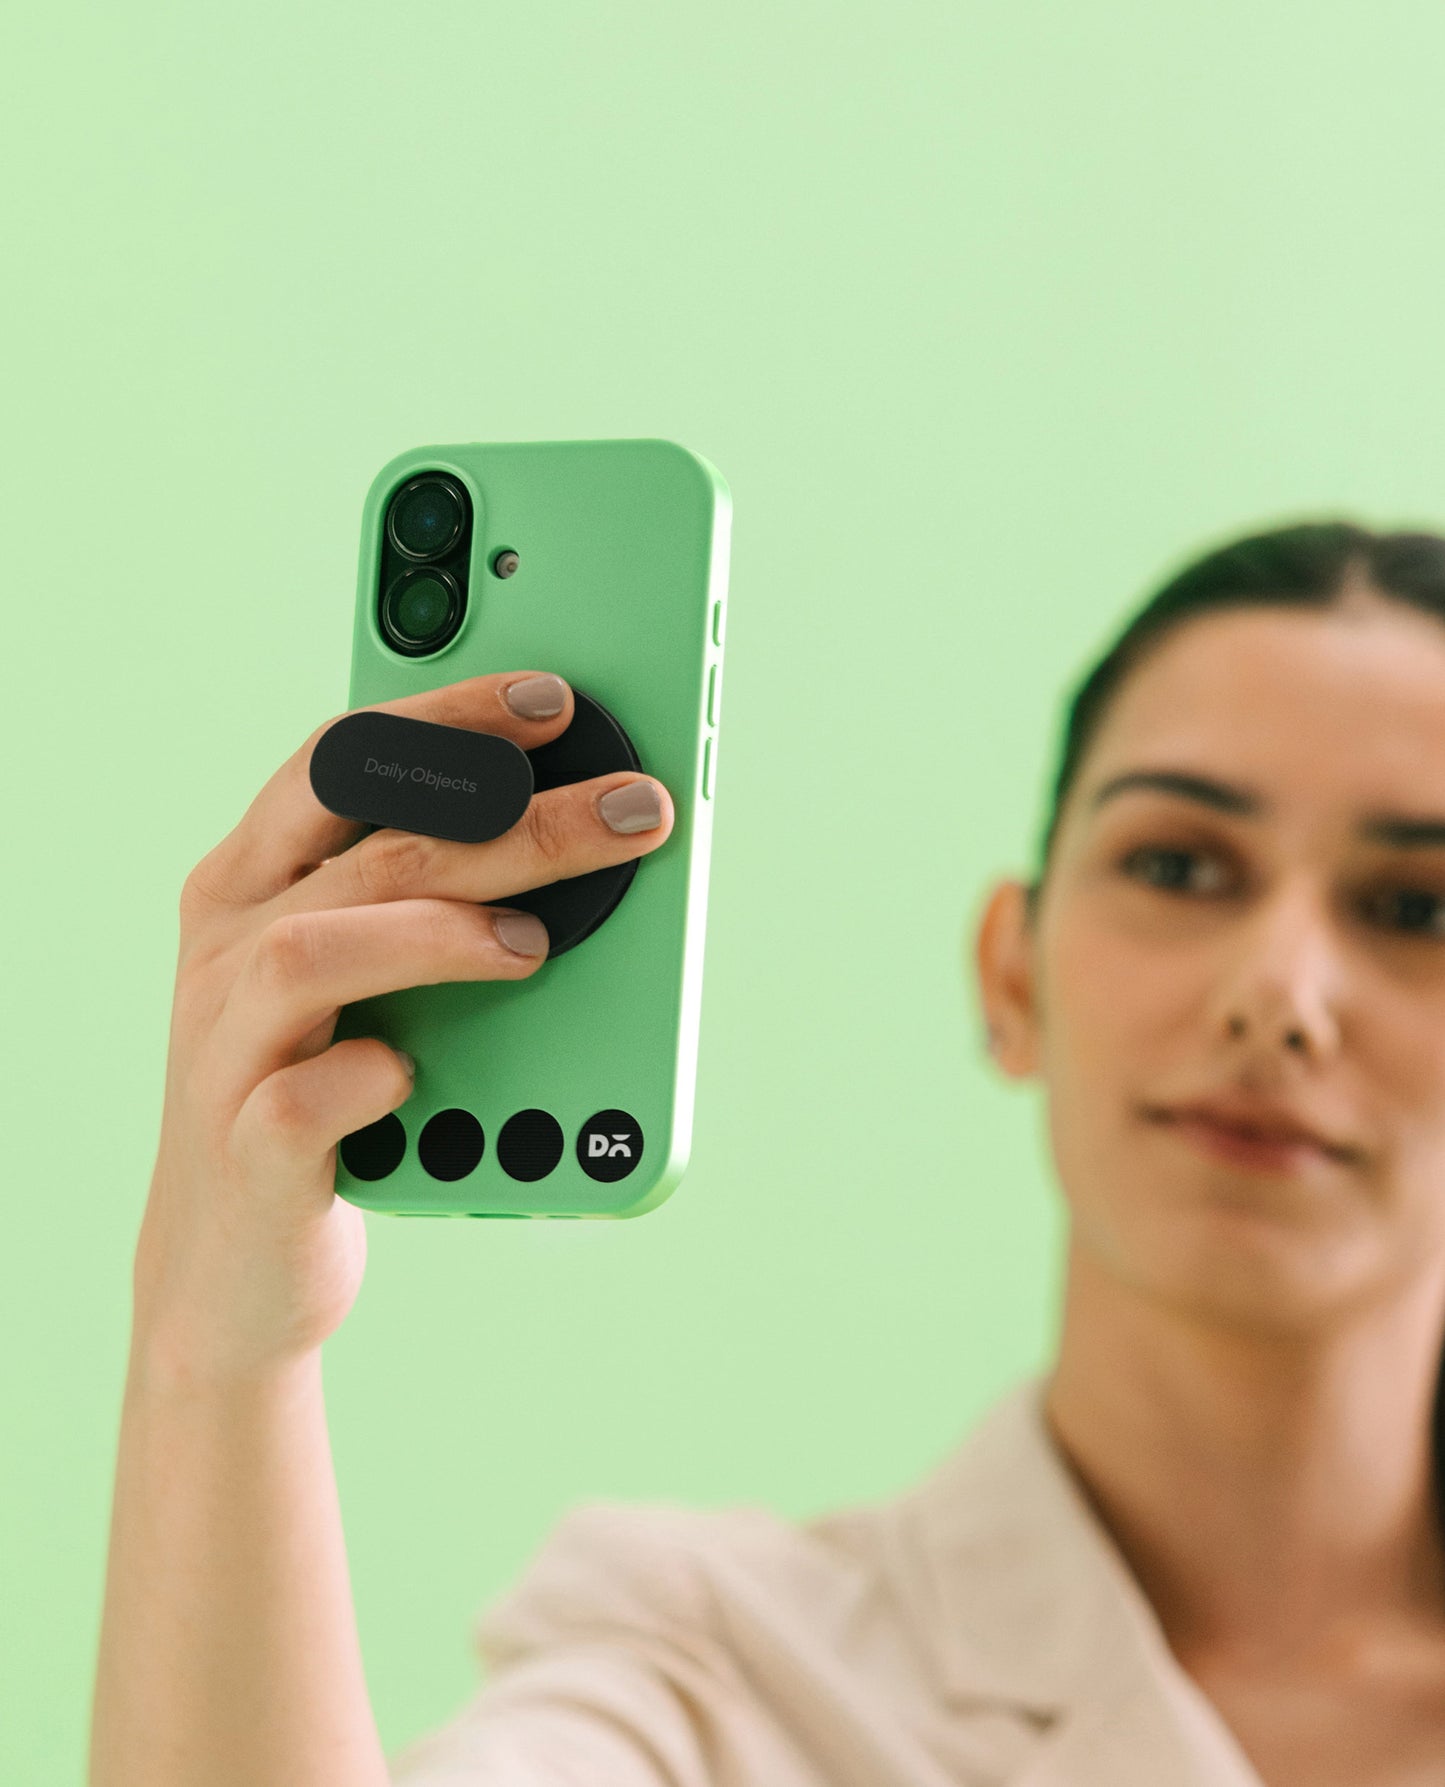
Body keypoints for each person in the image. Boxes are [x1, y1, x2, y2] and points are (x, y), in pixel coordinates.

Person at [87, 520, 1445, 1787]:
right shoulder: (722, 1681)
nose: (1276, 992)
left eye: (1412, 905)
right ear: (1010, 974)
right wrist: (220, 1340)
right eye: (1179, 867)